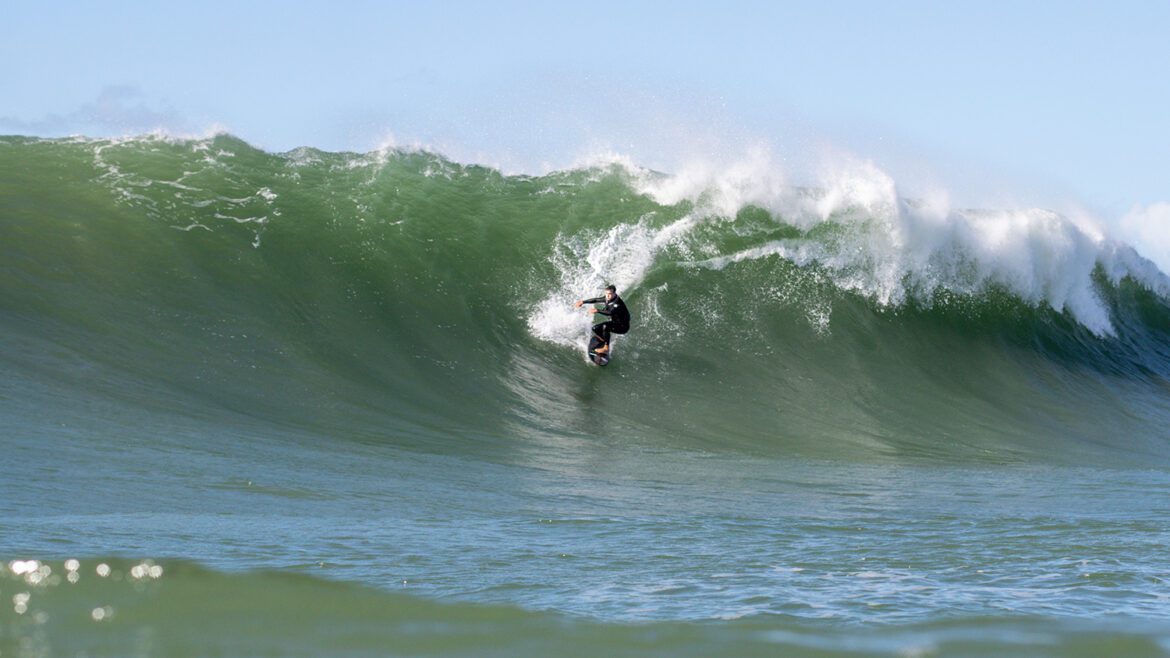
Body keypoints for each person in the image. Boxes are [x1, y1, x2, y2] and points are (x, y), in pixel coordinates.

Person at [574, 284, 630, 355]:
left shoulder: (617, 304)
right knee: (595, 328)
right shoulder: (608, 298)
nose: (607, 296)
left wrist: (597, 310)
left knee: (606, 327)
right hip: (614, 323)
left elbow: (610, 313)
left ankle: (606, 348)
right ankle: (604, 340)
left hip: (622, 327)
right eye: (606, 293)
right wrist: (583, 302)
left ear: (614, 293)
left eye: (610, 294)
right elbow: (596, 300)